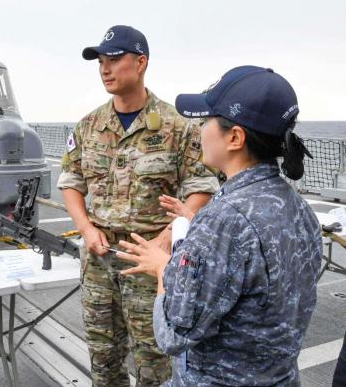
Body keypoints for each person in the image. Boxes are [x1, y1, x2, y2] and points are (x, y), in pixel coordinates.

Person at [116, 65, 322, 385]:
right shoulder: (297, 208)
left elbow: (173, 332)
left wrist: (163, 268)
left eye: (204, 121)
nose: (199, 129)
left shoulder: (224, 221)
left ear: (235, 137)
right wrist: (198, 227)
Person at [58, 25, 219, 386]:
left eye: (114, 59)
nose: (105, 69)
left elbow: (201, 188)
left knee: (154, 361)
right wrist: (85, 227)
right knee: (103, 358)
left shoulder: (178, 127)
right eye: (100, 61)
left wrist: (165, 239)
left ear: (141, 62)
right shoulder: (89, 125)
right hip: (99, 262)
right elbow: (71, 182)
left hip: (150, 261)